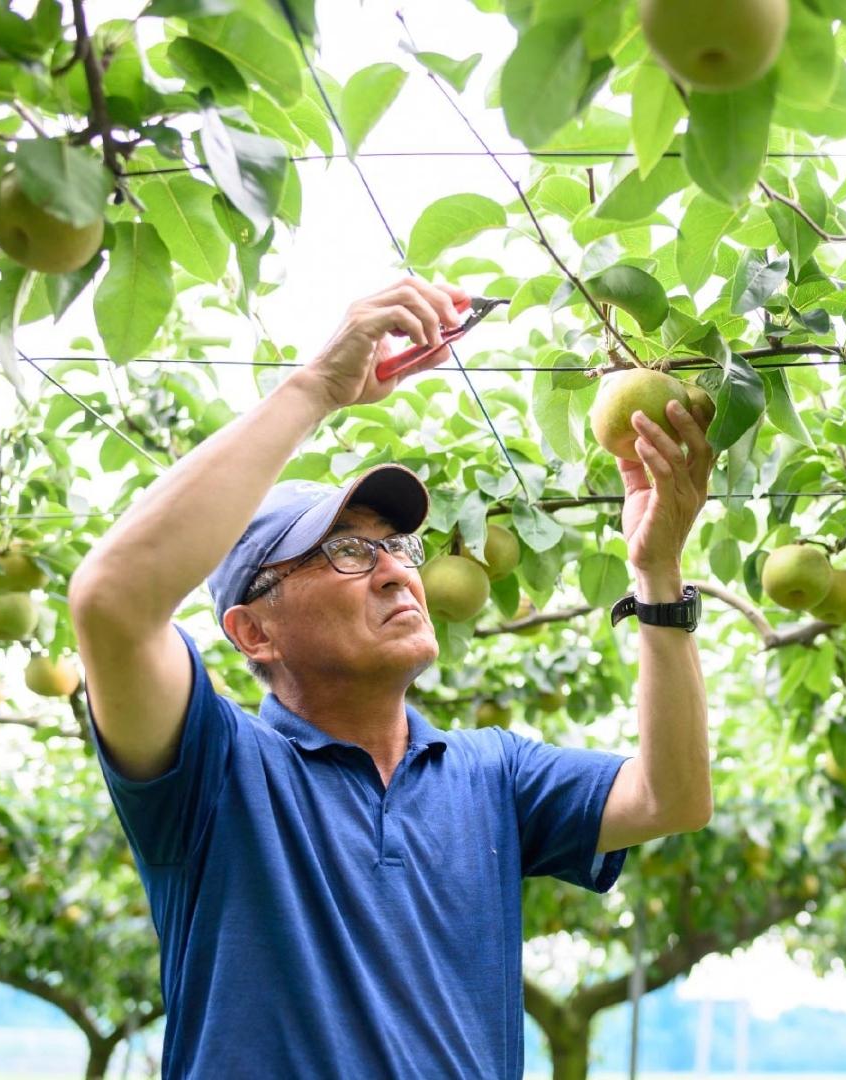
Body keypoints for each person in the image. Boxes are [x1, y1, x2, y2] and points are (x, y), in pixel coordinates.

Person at [68, 279, 714, 1079]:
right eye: (345, 552)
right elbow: (110, 601)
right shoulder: (213, 772)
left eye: (397, 548)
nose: (395, 574)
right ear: (251, 631)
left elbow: (672, 796)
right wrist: (316, 390)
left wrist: (656, 575)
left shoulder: (491, 774)